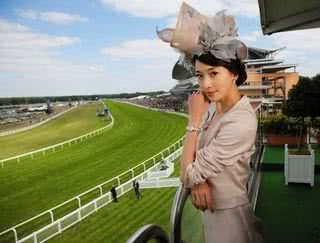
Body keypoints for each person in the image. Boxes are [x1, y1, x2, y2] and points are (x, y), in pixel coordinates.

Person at [158, 3, 265, 243]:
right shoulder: (215, 109)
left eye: (214, 73)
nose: (205, 84)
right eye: (200, 75)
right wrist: (200, 179)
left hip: (230, 223)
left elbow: (186, 174)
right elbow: (195, 168)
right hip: (211, 214)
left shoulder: (241, 121)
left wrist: (193, 121)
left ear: (234, 74)